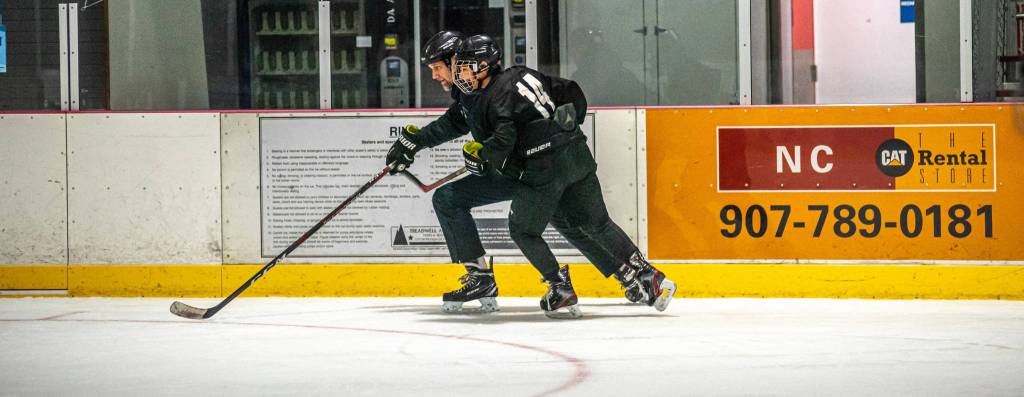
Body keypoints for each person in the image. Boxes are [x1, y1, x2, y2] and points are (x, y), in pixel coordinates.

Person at [386, 33, 672, 317]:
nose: (435, 75)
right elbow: (457, 121)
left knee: (531, 223)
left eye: (438, 67)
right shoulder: (477, 88)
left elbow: (503, 137)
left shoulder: (490, 91)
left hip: (531, 168)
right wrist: (415, 142)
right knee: (581, 221)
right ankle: (638, 275)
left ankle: (556, 284)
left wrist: (486, 155)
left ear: (461, 61)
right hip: (555, 159)